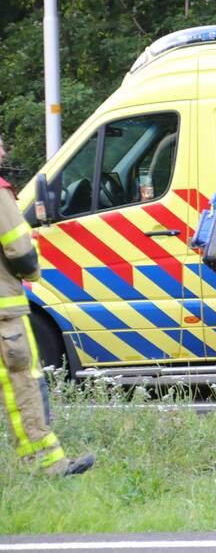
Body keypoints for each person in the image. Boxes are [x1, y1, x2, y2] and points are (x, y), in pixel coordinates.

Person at [0, 135, 94, 476]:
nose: (3, 151)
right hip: (5, 314)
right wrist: (33, 271)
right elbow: (20, 250)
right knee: (23, 385)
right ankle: (46, 464)